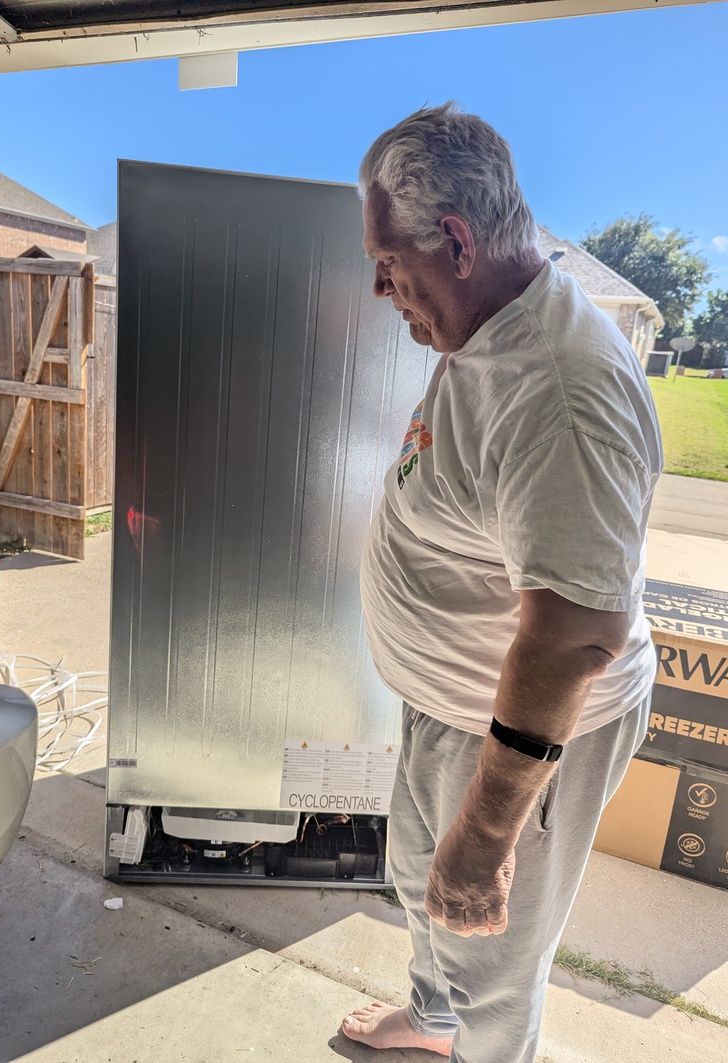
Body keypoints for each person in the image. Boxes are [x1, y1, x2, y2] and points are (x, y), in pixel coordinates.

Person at [341, 104, 663, 1063]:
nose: (377, 285)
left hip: (521, 731)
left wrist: (488, 830)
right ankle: (434, 1027)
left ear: (456, 238)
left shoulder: (559, 391)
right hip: (449, 698)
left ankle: (475, 1039)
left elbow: (576, 637)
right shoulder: (487, 329)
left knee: (490, 947)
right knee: (420, 884)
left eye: (389, 262)